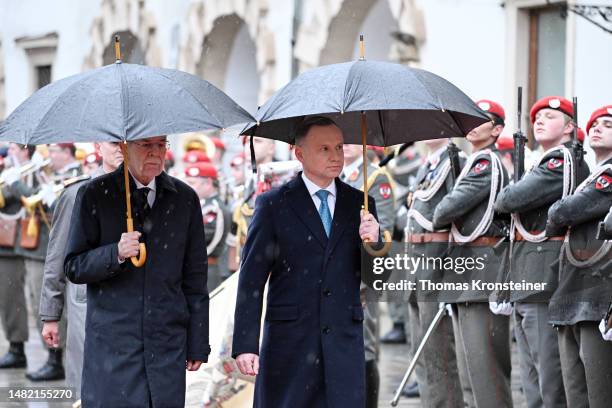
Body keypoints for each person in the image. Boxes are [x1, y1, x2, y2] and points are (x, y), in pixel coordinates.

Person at [232, 116, 381, 407]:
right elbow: (251, 279)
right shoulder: (273, 204)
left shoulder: (361, 204)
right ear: (299, 154)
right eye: (324, 148)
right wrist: (245, 345)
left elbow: (377, 280)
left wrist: (374, 243)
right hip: (290, 342)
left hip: (342, 341)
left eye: (338, 147)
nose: (335, 156)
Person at [64, 135, 210, 407]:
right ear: (124, 147)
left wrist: (198, 341)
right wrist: (115, 253)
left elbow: (195, 278)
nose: (155, 153)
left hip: (167, 343)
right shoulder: (94, 194)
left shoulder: (184, 198)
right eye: (145, 145)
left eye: (161, 145)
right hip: (114, 346)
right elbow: (74, 266)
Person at [494, 96, 590, 408]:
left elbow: (508, 200)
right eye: (537, 116)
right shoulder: (544, 162)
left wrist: (515, 187)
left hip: (543, 275)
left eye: (550, 116)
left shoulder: (559, 162)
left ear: (569, 128)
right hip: (526, 274)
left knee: (549, 379)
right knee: (532, 378)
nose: (539, 121)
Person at [433, 100, 512, 408]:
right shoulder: (474, 161)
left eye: (482, 120)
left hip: (481, 272)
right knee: (472, 370)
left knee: (485, 370)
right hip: (468, 271)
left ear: (497, 130)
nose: (473, 125)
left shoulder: (484, 164)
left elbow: (444, 210)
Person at [38, 142, 123, 399]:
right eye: (114, 143)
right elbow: (57, 256)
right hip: (86, 300)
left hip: (130, 303)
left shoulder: (146, 191)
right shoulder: (77, 192)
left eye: (129, 143)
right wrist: (50, 315)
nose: (121, 149)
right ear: (99, 145)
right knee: (87, 385)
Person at [545, 104, 612, 407]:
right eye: (594, 123)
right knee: (575, 393)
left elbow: (563, 211)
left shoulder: (608, 177)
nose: (597, 127)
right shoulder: (589, 176)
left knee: (598, 394)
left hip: (595, 295)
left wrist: (560, 212)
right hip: (572, 292)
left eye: (607, 124)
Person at [404, 138, 465, 408]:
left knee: (438, 350)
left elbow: (457, 221)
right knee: (421, 348)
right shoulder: (428, 164)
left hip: (436, 263)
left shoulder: (454, 161)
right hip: (416, 262)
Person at [22, 142, 82, 381]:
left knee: (65, 309)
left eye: (55, 151)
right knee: (41, 301)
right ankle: (52, 357)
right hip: (43, 247)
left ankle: (58, 358)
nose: (51, 156)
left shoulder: (77, 177)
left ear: (68, 153)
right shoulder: (49, 176)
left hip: (63, 249)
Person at [342, 143, 395, 408]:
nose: (347, 146)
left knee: (364, 344)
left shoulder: (375, 177)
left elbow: (385, 229)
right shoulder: (334, 177)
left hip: (363, 272)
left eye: (354, 140)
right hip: (336, 274)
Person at [0, 143, 36, 370]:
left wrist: (13, 184)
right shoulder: (9, 172)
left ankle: (17, 348)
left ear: (26, 150)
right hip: (9, 245)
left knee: (15, 298)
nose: (11, 152)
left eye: (15, 148)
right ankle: (14, 346)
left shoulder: (34, 172)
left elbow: (34, 197)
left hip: (18, 245)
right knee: (7, 298)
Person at [184, 162, 230, 290]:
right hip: (199, 268)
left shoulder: (213, 208)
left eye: (192, 183)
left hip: (207, 269)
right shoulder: (203, 205)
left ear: (208, 183)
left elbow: (200, 237)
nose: (187, 186)